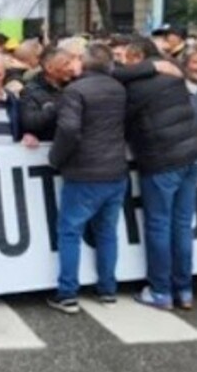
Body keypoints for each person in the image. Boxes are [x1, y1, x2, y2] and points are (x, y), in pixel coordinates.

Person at [47, 43, 128, 313]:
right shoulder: (118, 89)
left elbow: (69, 129)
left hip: (84, 172)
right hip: (115, 170)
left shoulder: (75, 90)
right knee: (107, 232)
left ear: (84, 62)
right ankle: (107, 288)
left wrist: (55, 158)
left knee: (70, 231)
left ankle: (67, 292)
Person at [122, 38, 197, 310]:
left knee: (159, 225)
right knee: (182, 225)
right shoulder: (175, 76)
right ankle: (185, 290)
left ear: (137, 57)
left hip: (161, 160)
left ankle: (160, 291)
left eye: (127, 59)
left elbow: (125, 120)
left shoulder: (135, 87)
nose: (123, 64)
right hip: (190, 156)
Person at [19, 47, 75, 141]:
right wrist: (56, 107)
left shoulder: (74, 86)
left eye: (71, 63)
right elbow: (30, 122)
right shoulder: (31, 91)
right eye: (66, 64)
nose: (71, 68)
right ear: (49, 68)